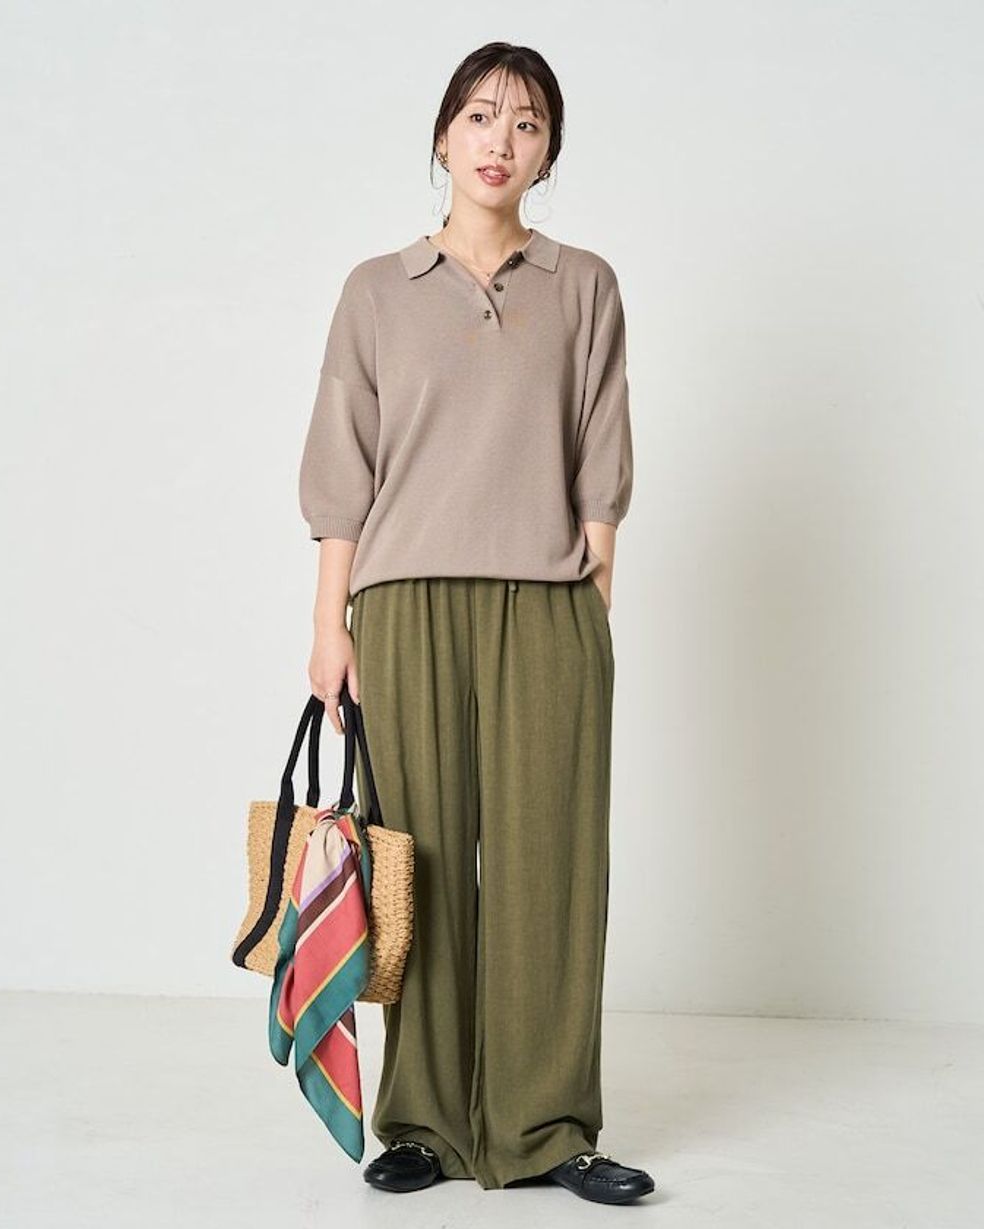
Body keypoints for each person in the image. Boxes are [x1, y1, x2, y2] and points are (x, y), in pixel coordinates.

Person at [298, 41, 655, 1206]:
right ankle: (424, 1121)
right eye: (481, 116)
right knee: (422, 866)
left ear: (548, 153)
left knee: (553, 865)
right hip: (403, 606)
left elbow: (601, 447)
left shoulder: (583, 284)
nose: (501, 140)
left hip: (546, 604)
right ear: (443, 135)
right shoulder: (376, 290)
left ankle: (546, 1124)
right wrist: (330, 625)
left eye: (529, 123)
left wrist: (591, 594)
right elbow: (343, 469)